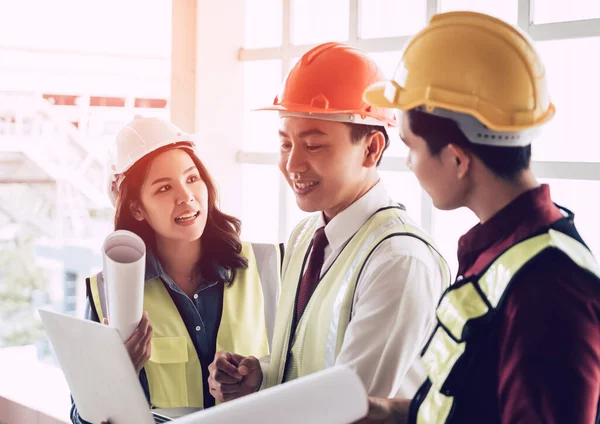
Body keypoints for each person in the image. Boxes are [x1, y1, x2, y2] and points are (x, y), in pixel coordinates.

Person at [360, 10, 600, 423]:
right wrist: (385, 412)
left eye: (410, 146)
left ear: (457, 159)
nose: (410, 164)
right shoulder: (508, 254)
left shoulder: (548, 290)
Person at [207, 42, 450, 403]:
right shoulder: (307, 236)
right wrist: (261, 375)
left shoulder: (398, 260)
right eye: (286, 144)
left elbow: (351, 406)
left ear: (372, 149)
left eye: (314, 145)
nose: (292, 165)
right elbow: (311, 359)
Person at [70, 116, 282, 423]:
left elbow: (302, 366)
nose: (186, 196)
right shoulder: (106, 292)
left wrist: (257, 374)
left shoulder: (269, 264)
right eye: (164, 188)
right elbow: (82, 417)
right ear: (137, 208)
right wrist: (114, 374)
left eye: (192, 178)